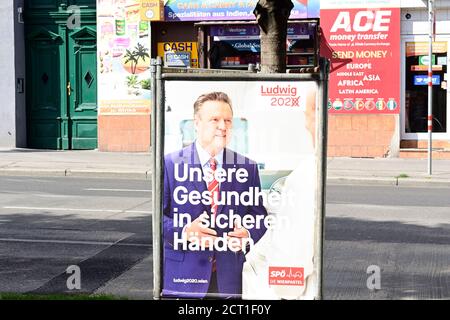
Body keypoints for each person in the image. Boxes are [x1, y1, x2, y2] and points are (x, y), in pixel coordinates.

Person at [162, 91, 267, 299]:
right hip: (183, 279)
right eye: (215, 120)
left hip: (230, 280)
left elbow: (259, 217)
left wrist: (247, 233)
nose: (223, 126)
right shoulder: (170, 164)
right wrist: (185, 231)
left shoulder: (247, 167)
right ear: (197, 123)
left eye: (228, 120)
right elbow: (157, 219)